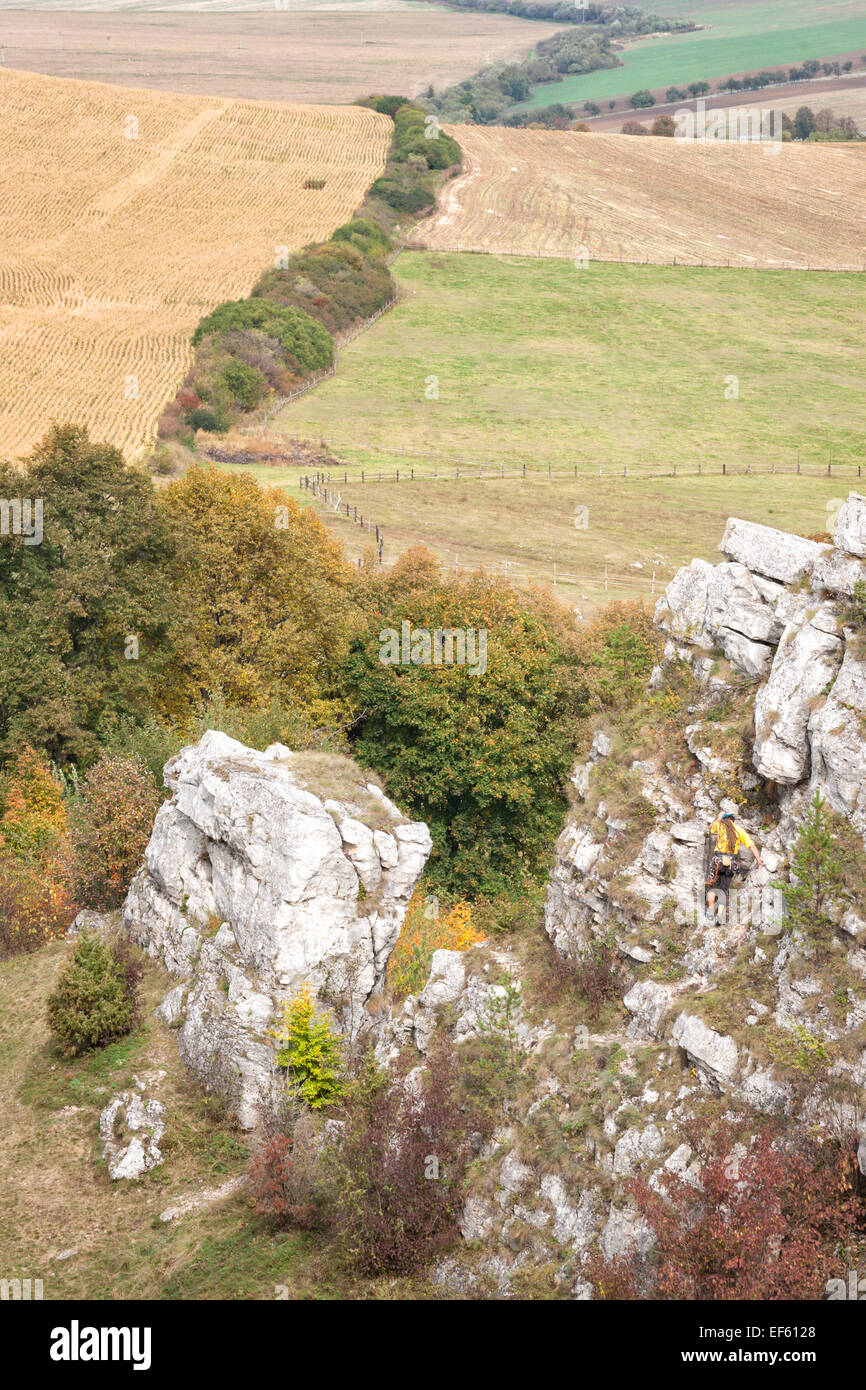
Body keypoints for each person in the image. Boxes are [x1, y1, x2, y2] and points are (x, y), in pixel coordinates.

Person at [705, 811, 762, 921]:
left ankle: (711, 912)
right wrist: (758, 860)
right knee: (724, 889)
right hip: (731, 863)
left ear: (725, 819)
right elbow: (752, 846)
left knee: (711, 886)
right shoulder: (739, 830)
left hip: (718, 861)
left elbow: (710, 829)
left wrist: (718, 818)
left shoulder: (720, 825)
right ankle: (720, 915)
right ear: (733, 820)